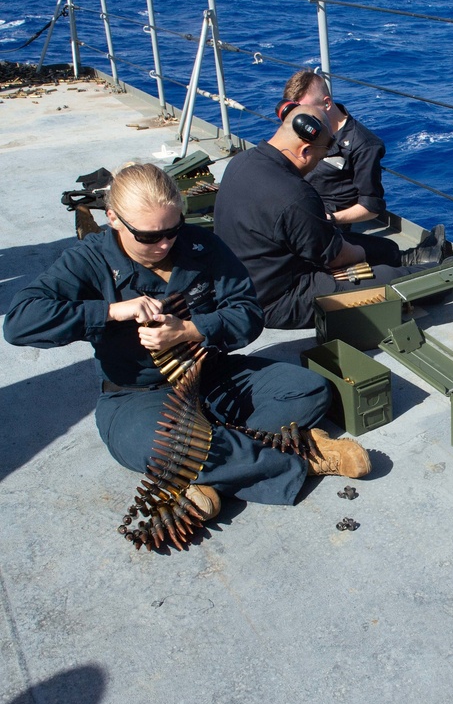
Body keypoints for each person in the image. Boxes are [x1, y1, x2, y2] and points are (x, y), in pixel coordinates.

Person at [3, 163, 372, 521]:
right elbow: (20, 322)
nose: (164, 244)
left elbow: (247, 313)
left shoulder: (201, 247)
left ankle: (204, 474)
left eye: (172, 229)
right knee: (159, 447)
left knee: (307, 389)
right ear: (113, 217)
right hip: (138, 395)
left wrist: (191, 330)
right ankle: (302, 457)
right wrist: (112, 311)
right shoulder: (89, 259)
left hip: (209, 374)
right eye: (148, 236)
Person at [213, 105, 453, 329]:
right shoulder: (295, 195)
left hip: (255, 277)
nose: (317, 164)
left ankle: (410, 257)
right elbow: (337, 258)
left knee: (369, 245)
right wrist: (359, 253)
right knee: (388, 280)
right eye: (321, 156)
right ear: (305, 150)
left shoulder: (242, 162)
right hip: (278, 300)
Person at [282, 70, 447, 267]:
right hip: (294, 205)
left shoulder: (363, 144)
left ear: (327, 103)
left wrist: (331, 218)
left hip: (323, 220)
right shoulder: (301, 133)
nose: (302, 121)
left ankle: (413, 259)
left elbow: (371, 207)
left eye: (306, 112)